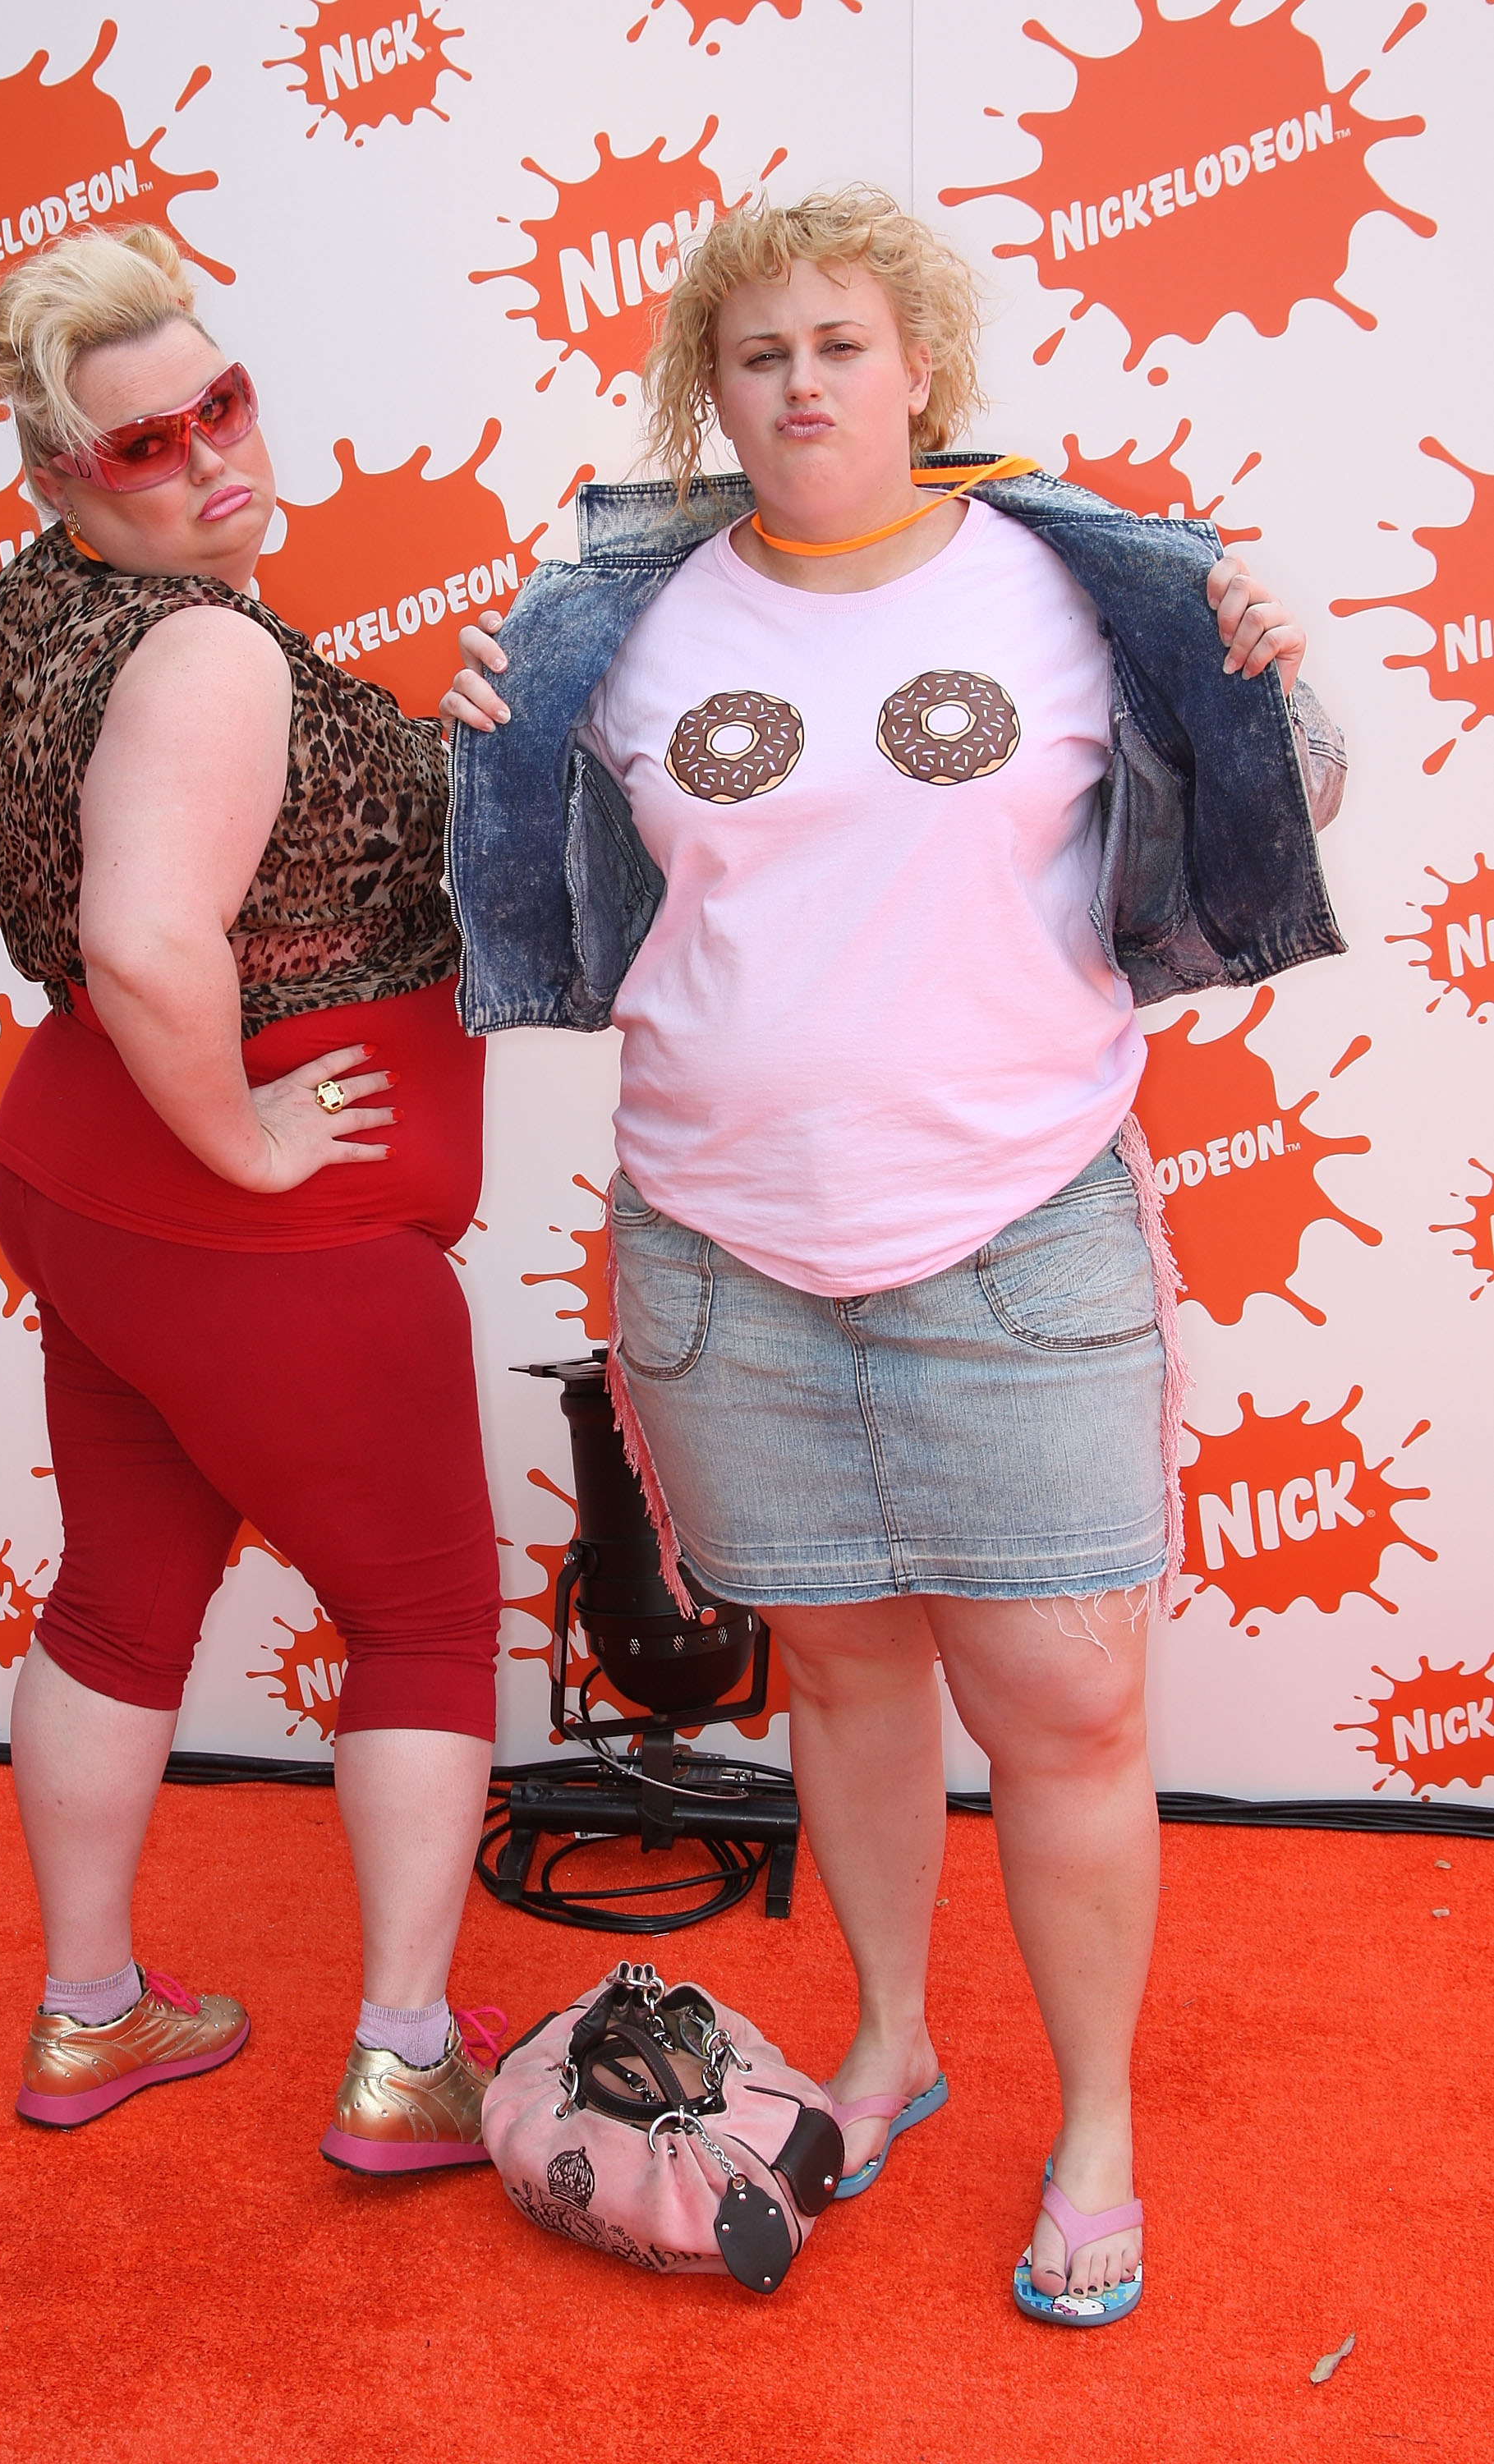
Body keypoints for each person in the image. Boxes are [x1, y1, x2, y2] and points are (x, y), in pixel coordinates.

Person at [441, 186, 1345, 2321]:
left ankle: (1096, 2128)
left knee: (1065, 1702)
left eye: (841, 342)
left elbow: (1275, 795)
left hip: (1011, 1233)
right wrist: (477, 715)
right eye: (758, 354)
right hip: (721, 1247)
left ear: (919, 358)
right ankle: (889, 2041)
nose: (803, 383)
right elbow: (527, 871)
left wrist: (1277, 679)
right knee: (842, 1673)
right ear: (709, 388)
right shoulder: (611, 622)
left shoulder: (1072, 581)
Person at [0, 226, 504, 2170]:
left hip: (88, 1197)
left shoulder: (33, 603)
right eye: (150, 442)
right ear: (66, 474)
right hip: (255, 1230)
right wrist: (251, 1138)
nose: (211, 457)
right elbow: (151, 939)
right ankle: (411, 2061)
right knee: (421, 1616)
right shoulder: (206, 649)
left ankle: (94, 2017)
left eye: (223, 402)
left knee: (119, 1591)